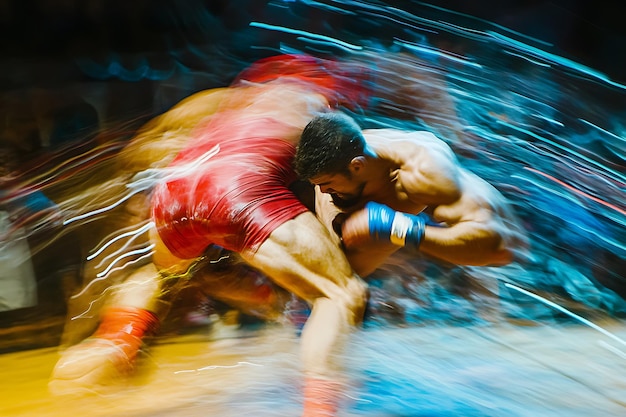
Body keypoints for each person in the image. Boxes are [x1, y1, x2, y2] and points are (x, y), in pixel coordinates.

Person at [294, 111, 527, 279]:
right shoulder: (339, 153)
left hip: (508, 264)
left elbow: (499, 250)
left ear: (357, 166)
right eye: (318, 185)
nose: (323, 191)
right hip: (398, 242)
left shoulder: (426, 173)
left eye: (327, 184)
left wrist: (397, 227)